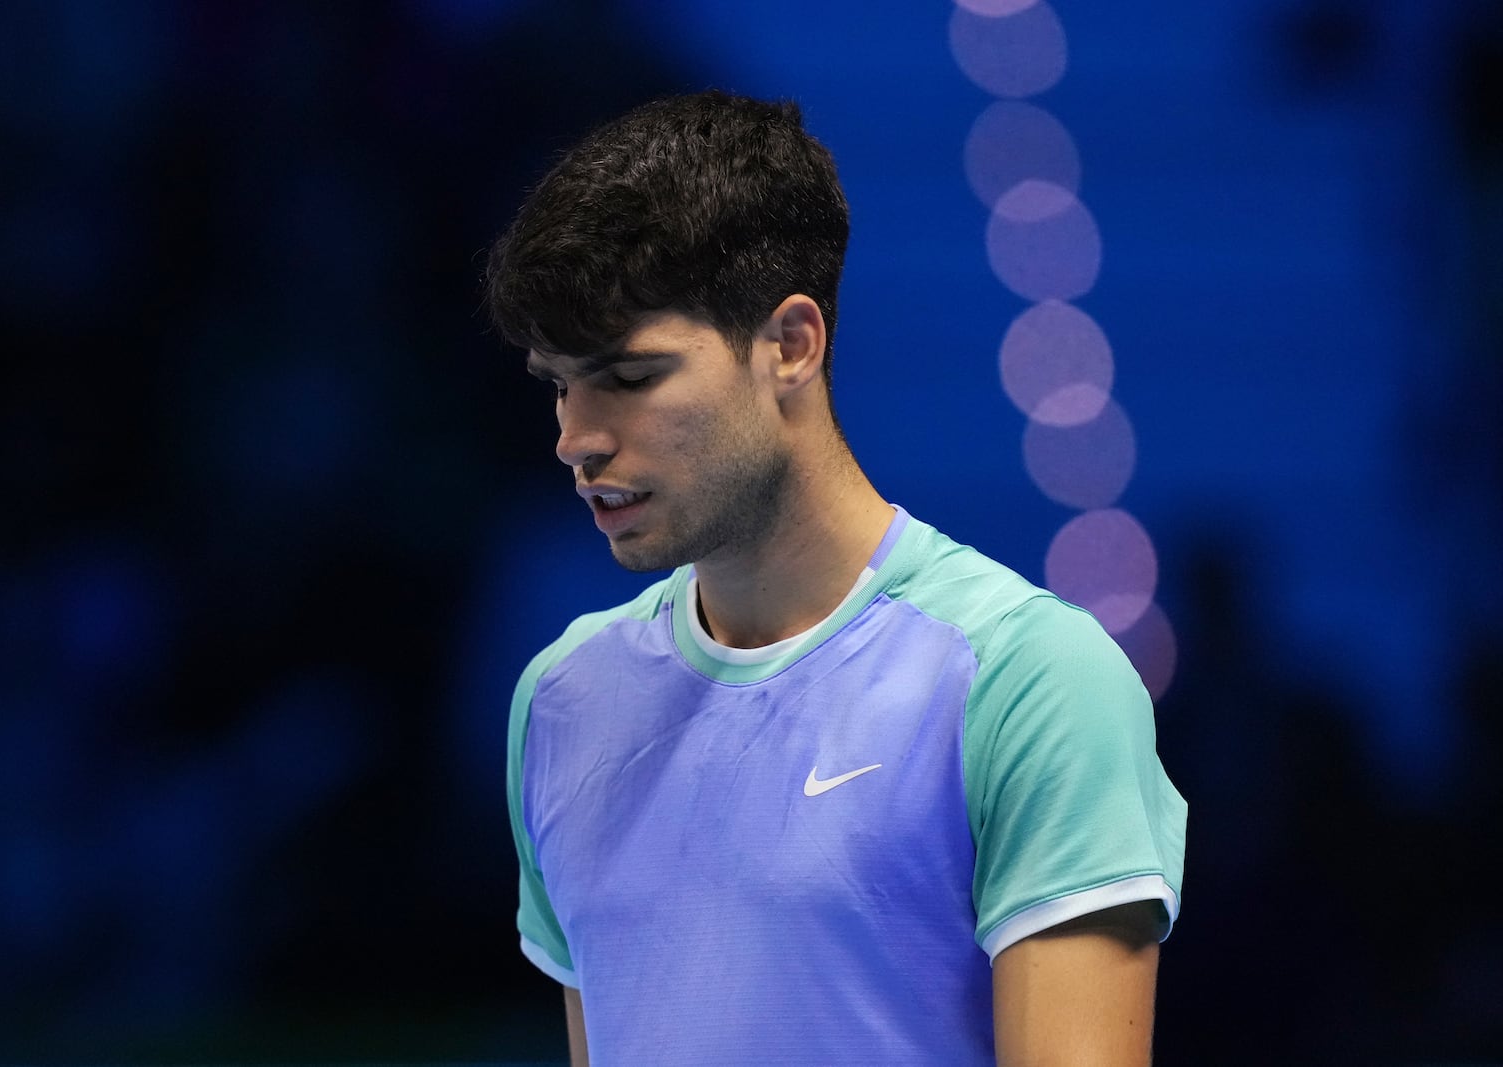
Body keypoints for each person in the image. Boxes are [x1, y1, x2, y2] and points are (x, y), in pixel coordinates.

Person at [485, 90, 1186, 1066]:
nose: (576, 439)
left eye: (629, 378)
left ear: (790, 345)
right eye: (559, 382)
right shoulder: (561, 699)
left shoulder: (1029, 680)